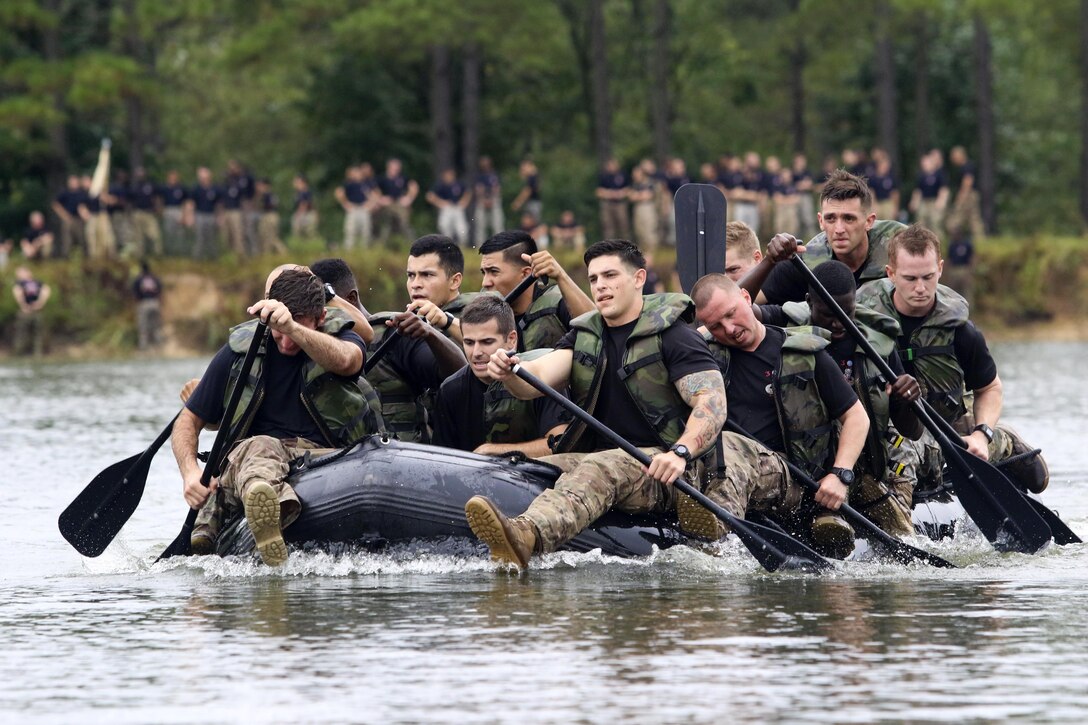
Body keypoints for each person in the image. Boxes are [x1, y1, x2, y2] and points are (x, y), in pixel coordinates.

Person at [463, 239, 727, 569]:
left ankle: (526, 535)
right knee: (535, 468)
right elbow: (538, 377)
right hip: (606, 459)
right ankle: (489, 530)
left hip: (669, 470)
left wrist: (681, 452)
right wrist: (509, 372)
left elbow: (712, 402)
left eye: (610, 276)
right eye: (594, 279)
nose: (600, 286)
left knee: (601, 467)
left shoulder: (674, 335)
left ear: (638, 278)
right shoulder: (586, 335)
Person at [173, 268, 384, 565]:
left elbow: (349, 361)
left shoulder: (341, 336)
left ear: (320, 318)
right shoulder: (239, 351)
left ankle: (271, 512)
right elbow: (187, 421)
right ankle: (269, 516)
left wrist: (293, 328)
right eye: (278, 331)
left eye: (296, 328)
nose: (286, 342)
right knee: (262, 445)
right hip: (254, 458)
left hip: (325, 459)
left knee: (267, 448)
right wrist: (190, 472)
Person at [855, 225, 1049, 495]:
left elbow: (990, 388)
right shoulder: (863, 320)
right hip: (887, 425)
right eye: (910, 278)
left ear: (941, 270)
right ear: (891, 274)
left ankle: (1005, 442)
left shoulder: (961, 331)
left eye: (928, 276)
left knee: (949, 448)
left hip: (949, 425)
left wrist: (982, 435)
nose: (921, 288)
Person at [689, 274, 870, 557]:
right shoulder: (703, 355)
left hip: (794, 478)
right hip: (719, 466)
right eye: (716, 326)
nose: (729, 328)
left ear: (747, 299)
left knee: (730, 445)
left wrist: (840, 475)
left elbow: (857, 417)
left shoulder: (805, 354)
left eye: (731, 314)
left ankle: (716, 547)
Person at [752, 259, 925, 536]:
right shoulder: (784, 322)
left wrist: (907, 401)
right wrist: (770, 262)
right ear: (809, 302)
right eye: (827, 313)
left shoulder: (878, 344)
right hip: (802, 467)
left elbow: (911, 430)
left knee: (901, 533)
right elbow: (733, 309)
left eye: (846, 312)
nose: (838, 323)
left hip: (864, 468)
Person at [365, 235, 472, 442]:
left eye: (426, 275)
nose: (415, 284)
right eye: (411, 275)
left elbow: (488, 351)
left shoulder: (479, 313)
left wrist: (445, 322)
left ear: (455, 280)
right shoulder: (410, 321)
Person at [744, 169, 906, 305]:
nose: (839, 229)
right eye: (831, 219)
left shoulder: (899, 246)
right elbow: (739, 301)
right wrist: (769, 261)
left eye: (849, 218)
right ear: (820, 221)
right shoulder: (808, 260)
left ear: (869, 221)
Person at [433, 296, 568, 454]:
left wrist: (492, 451)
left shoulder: (542, 378)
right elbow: (442, 460)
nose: (476, 353)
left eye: (487, 342)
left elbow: (560, 444)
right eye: (469, 342)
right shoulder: (450, 390)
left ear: (511, 340)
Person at [478, 230, 593, 350]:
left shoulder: (559, 303)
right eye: (484, 273)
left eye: (494, 272)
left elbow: (599, 330)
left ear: (526, 273)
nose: (485, 282)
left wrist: (561, 276)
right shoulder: (482, 309)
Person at [310, 257, 374, 343]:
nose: (325, 313)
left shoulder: (392, 333)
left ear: (351, 298)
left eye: (329, 306)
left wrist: (327, 294)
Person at [374, 158, 419, 241]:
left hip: (399, 204)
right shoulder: (381, 178)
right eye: (394, 167)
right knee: (385, 224)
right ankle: (380, 243)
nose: (396, 170)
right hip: (386, 206)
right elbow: (374, 191)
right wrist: (380, 200)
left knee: (404, 223)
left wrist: (409, 198)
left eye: (398, 168)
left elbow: (414, 186)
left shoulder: (403, 178)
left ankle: (411, 243)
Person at [426, 167, 472, 246]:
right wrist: (440, 203)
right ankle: (448, 244)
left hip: (457, 208)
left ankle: (463, 245)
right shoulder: (440, 185)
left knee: (461, 228)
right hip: (446, 208)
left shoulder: (459, 184)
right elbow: (429, 196)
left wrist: (464, 202)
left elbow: (468, 192)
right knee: (444, 226)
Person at [12, 266, 50, 357]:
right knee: (21, 333)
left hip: (37, 310)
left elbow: (46, 290)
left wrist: (40, 303)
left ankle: (38, 354)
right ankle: (19, 353)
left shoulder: (37, 282)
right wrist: (23, 305)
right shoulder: (19, 283)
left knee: (38, 333)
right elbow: (17, 292)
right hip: (25, 311)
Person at [336, 164, 373, 250]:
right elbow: (339, 192)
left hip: (363, 208)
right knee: (351, 231)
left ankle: (364, 249)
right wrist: (345, 204)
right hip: (353, 208)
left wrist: (370, 205)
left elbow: (373, 195)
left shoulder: (365, 184)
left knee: (365, 231)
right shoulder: (349, 184)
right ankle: (349, 249)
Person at [188, 166, 222, 259]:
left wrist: (219, 217)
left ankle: (213, 257)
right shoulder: (196, 188)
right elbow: (191, 203)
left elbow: (218, 205)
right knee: (199, 237)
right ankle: (197, 257)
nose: (202, 178)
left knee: (211, 237)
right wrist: (190, 217)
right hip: (199, 215)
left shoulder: (215, 189)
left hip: (211, 215)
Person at [909, 150, 947, 233]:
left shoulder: (939, 175)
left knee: (935, 222)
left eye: (926, 162)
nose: (924, 164)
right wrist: (914, 202)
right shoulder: (921, 176)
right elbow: (918, 191)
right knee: (920, 222)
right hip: (924, 201)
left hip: (934, 201)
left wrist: (941, 201)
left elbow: (943, 189)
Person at [129, 167, 164, 258]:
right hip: (137, 213)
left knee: (154, 234)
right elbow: (129, 201)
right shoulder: (133, 186)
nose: (140, 175)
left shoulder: (150, 185)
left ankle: (158, 253)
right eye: (138, 173)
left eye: (142, 173)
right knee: (138, 236)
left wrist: (158, 207)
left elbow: (158, 197)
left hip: (149, 213)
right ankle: (139, 255)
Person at [79, 173, 115, 259]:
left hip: (102, 215)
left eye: (87, 181)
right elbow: (81, 206)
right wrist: (84, 214)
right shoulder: (83, 194)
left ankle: (111, 255)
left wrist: (105, 198)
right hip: (92, 217)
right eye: (84, 182)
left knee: (107, 237)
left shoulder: (100, 191)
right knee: (91, 236)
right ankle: (94, 256)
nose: (86, 183)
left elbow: (112, 201)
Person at [52, 174, 87, 258]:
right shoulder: (65, 193)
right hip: (69, 219)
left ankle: (83, 257)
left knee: (81, 239)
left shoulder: (82, 193)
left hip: (79, 219)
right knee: (67, 240)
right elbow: (55, 204)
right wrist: (64, 215)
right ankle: (66, 257)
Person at [472, 156, 504, 247]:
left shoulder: (495, 175)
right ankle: (480, 245)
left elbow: (497, 189)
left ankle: (500, 244)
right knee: (480, 225)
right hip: (482, 201)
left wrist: (492, 199)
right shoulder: (478, 176)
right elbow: (478, 190)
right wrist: (484, 200)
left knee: (497, 224)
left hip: (494, 200)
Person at [133, 260, 164, 350]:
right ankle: (159, 348)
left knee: (143, 327)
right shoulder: (154, 278)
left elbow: (135, 294)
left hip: (144, 303)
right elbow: (160, 291)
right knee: (156, 327)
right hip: (155, 303)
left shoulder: (139, 279)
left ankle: (144, 348)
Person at [596, 158, 630, 239]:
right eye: (610, 165)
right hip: (607, 203)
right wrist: (610, 194)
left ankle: (625, 244)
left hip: (620, 203)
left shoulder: (623, 174)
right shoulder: (603, 176)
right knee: (608, 226)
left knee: (623, 225)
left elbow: (629, 189)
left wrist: (621, 193)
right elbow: (598, 191)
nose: (612, 167)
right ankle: (609, 245)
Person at [628, 165, 660, 252]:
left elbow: (648, 196)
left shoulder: (650, 183)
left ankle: (651, 253)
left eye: (636, 174)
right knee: (639, 231)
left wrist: (637, 195)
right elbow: (630, 196)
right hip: (637, 208)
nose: (634, 176)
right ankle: (643, 252)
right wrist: (640, 195)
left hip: (647, 208)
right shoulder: (635, 184)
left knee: (649, 231)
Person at [158, 169, 189, 256]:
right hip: (168, 209)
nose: (173, 179)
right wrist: (160, 209)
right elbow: (160, 199)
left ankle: (180, 252)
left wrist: (184, 214)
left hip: (178, 210)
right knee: (168, 232)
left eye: (174, 177)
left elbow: (185, 202)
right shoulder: (164, 188)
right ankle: (169, 252)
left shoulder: (181, 188)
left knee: (180, 232)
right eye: (171, 177)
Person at [255, 178, 286, 255]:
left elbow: (271, 205)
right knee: (264, 238)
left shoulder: (269, 195)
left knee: (272, 238)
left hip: (270, 216)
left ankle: (284, 253)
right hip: (266, 216)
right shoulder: (264, 195)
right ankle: (266, 255)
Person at [510, 158, 542, 223]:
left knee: (532, 223)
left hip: (533, 203)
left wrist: (518, 202)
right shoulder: (534, 176)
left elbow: (527, 191)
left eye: (523, 168)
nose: (522, 170)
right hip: (533, 203)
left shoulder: (532, 177)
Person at [290, 174, 318, 240]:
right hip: (305, 213)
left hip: (307, 214)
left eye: (297, 182)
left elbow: (304, 204)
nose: (295, 184)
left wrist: (298, 214)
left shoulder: (305, 192)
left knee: (309, 233)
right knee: (303, 234)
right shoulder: (299, 193)